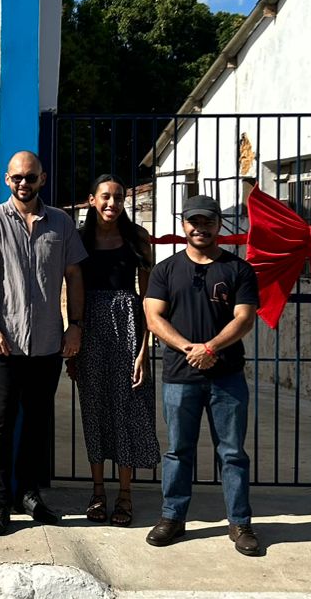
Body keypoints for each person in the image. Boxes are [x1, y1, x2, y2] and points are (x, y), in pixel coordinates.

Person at [0, 151, 86, 536]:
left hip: (48, 344)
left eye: (30, 177)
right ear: (7, 179)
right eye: (17, 177)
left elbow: (74, 275)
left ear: (42, 178)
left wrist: (75, 326)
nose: (24, 183)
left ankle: (29, 495)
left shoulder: (62, 223)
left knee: (37, 424)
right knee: (0, 426)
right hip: (4, 345)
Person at [142, 194, 263, 556]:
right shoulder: (165, 270)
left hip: (226, 377)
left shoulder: (238, 270)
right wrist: (190, 349)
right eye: (194, 221)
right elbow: (154, 317)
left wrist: (210, 348)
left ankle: (240, 523)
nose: (200, 228)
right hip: (180, 376)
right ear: (183, 225)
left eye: (207, 221)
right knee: (178, 451)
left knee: (232, 453)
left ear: (218, 225)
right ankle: (172, 518)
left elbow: (244, 318)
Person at [72, 174, 160, 526]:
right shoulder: (79, 241)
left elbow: (150, 300)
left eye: (119, 197)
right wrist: (73, 341)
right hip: (90, 330)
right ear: (92, 200)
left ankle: (125, 495)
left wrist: (144, 351)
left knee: (126, 409)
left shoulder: (137, 238)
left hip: (127, 329)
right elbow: (72, 289)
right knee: (93, 410)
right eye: (105, 197)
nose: (112, 203)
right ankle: (97, 492)